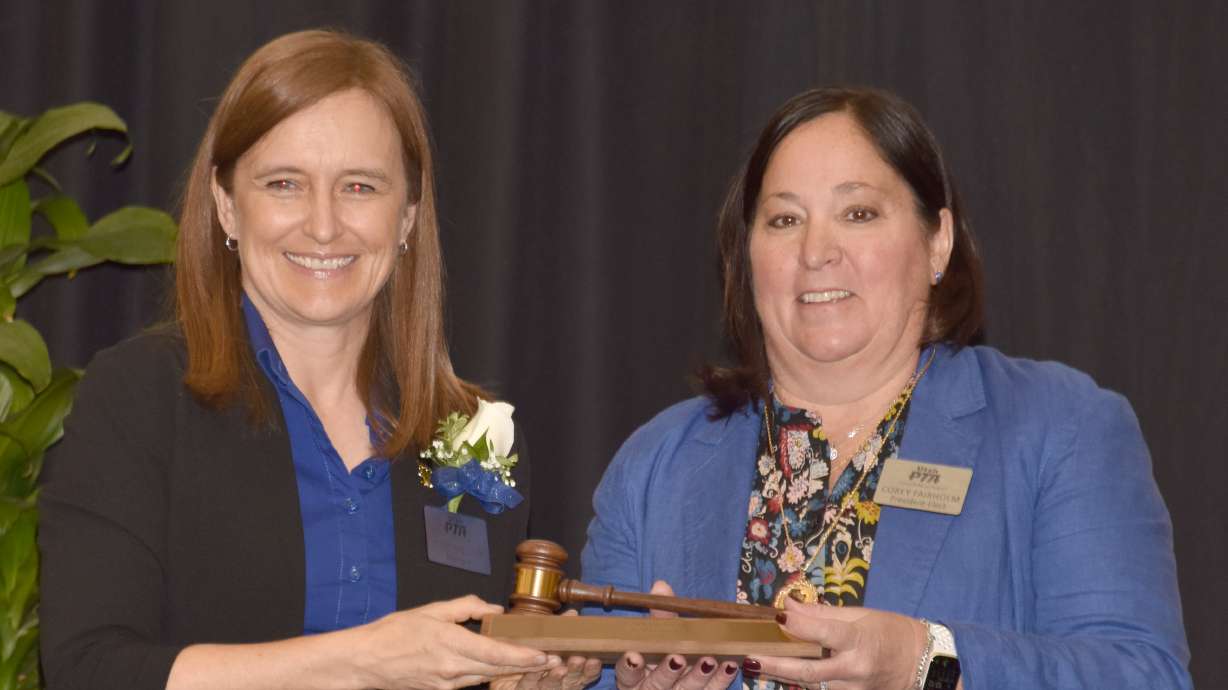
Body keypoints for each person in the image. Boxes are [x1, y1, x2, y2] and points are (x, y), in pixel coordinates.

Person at [580, 87, 1192, 689]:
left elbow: (1142, 674)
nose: (817, 252)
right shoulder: (655, 466)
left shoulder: (1060, 426)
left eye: (858, 213)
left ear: (937, 241)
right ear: (747, 255)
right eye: (785, 219)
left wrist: (926, 662)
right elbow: (594, 673)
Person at [39, 29, 566, 690]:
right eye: (285, 184)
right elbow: (86, 670)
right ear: (227, 205)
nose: (323, 226)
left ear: (407, 216)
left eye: (360, 187)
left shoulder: (480, 433)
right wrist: (359, 662)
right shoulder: (136, 397)